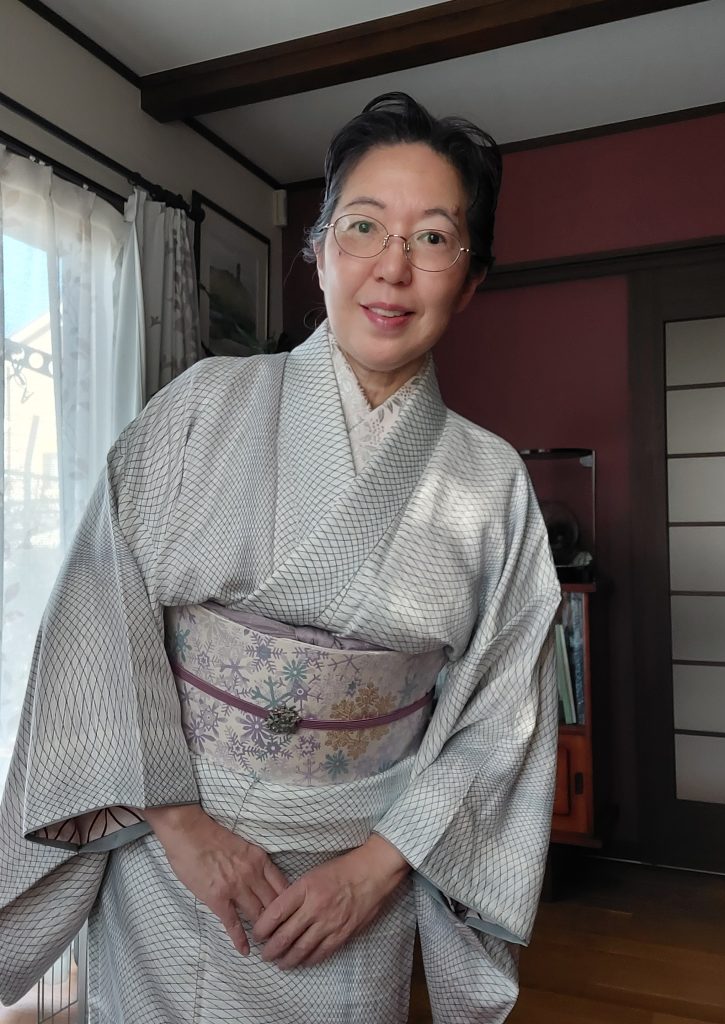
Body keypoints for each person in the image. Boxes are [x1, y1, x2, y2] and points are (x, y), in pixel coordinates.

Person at [0, 92, 561, 1023]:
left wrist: (378, 868)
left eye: (433, 238)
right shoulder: (201, 407)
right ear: (320, 250)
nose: (393, 267)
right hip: (171, 864)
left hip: (356, 881)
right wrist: (182, 827)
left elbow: (505, 720)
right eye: (364, 226)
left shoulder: (492, 483)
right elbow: (102, 619)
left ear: (470, 280)